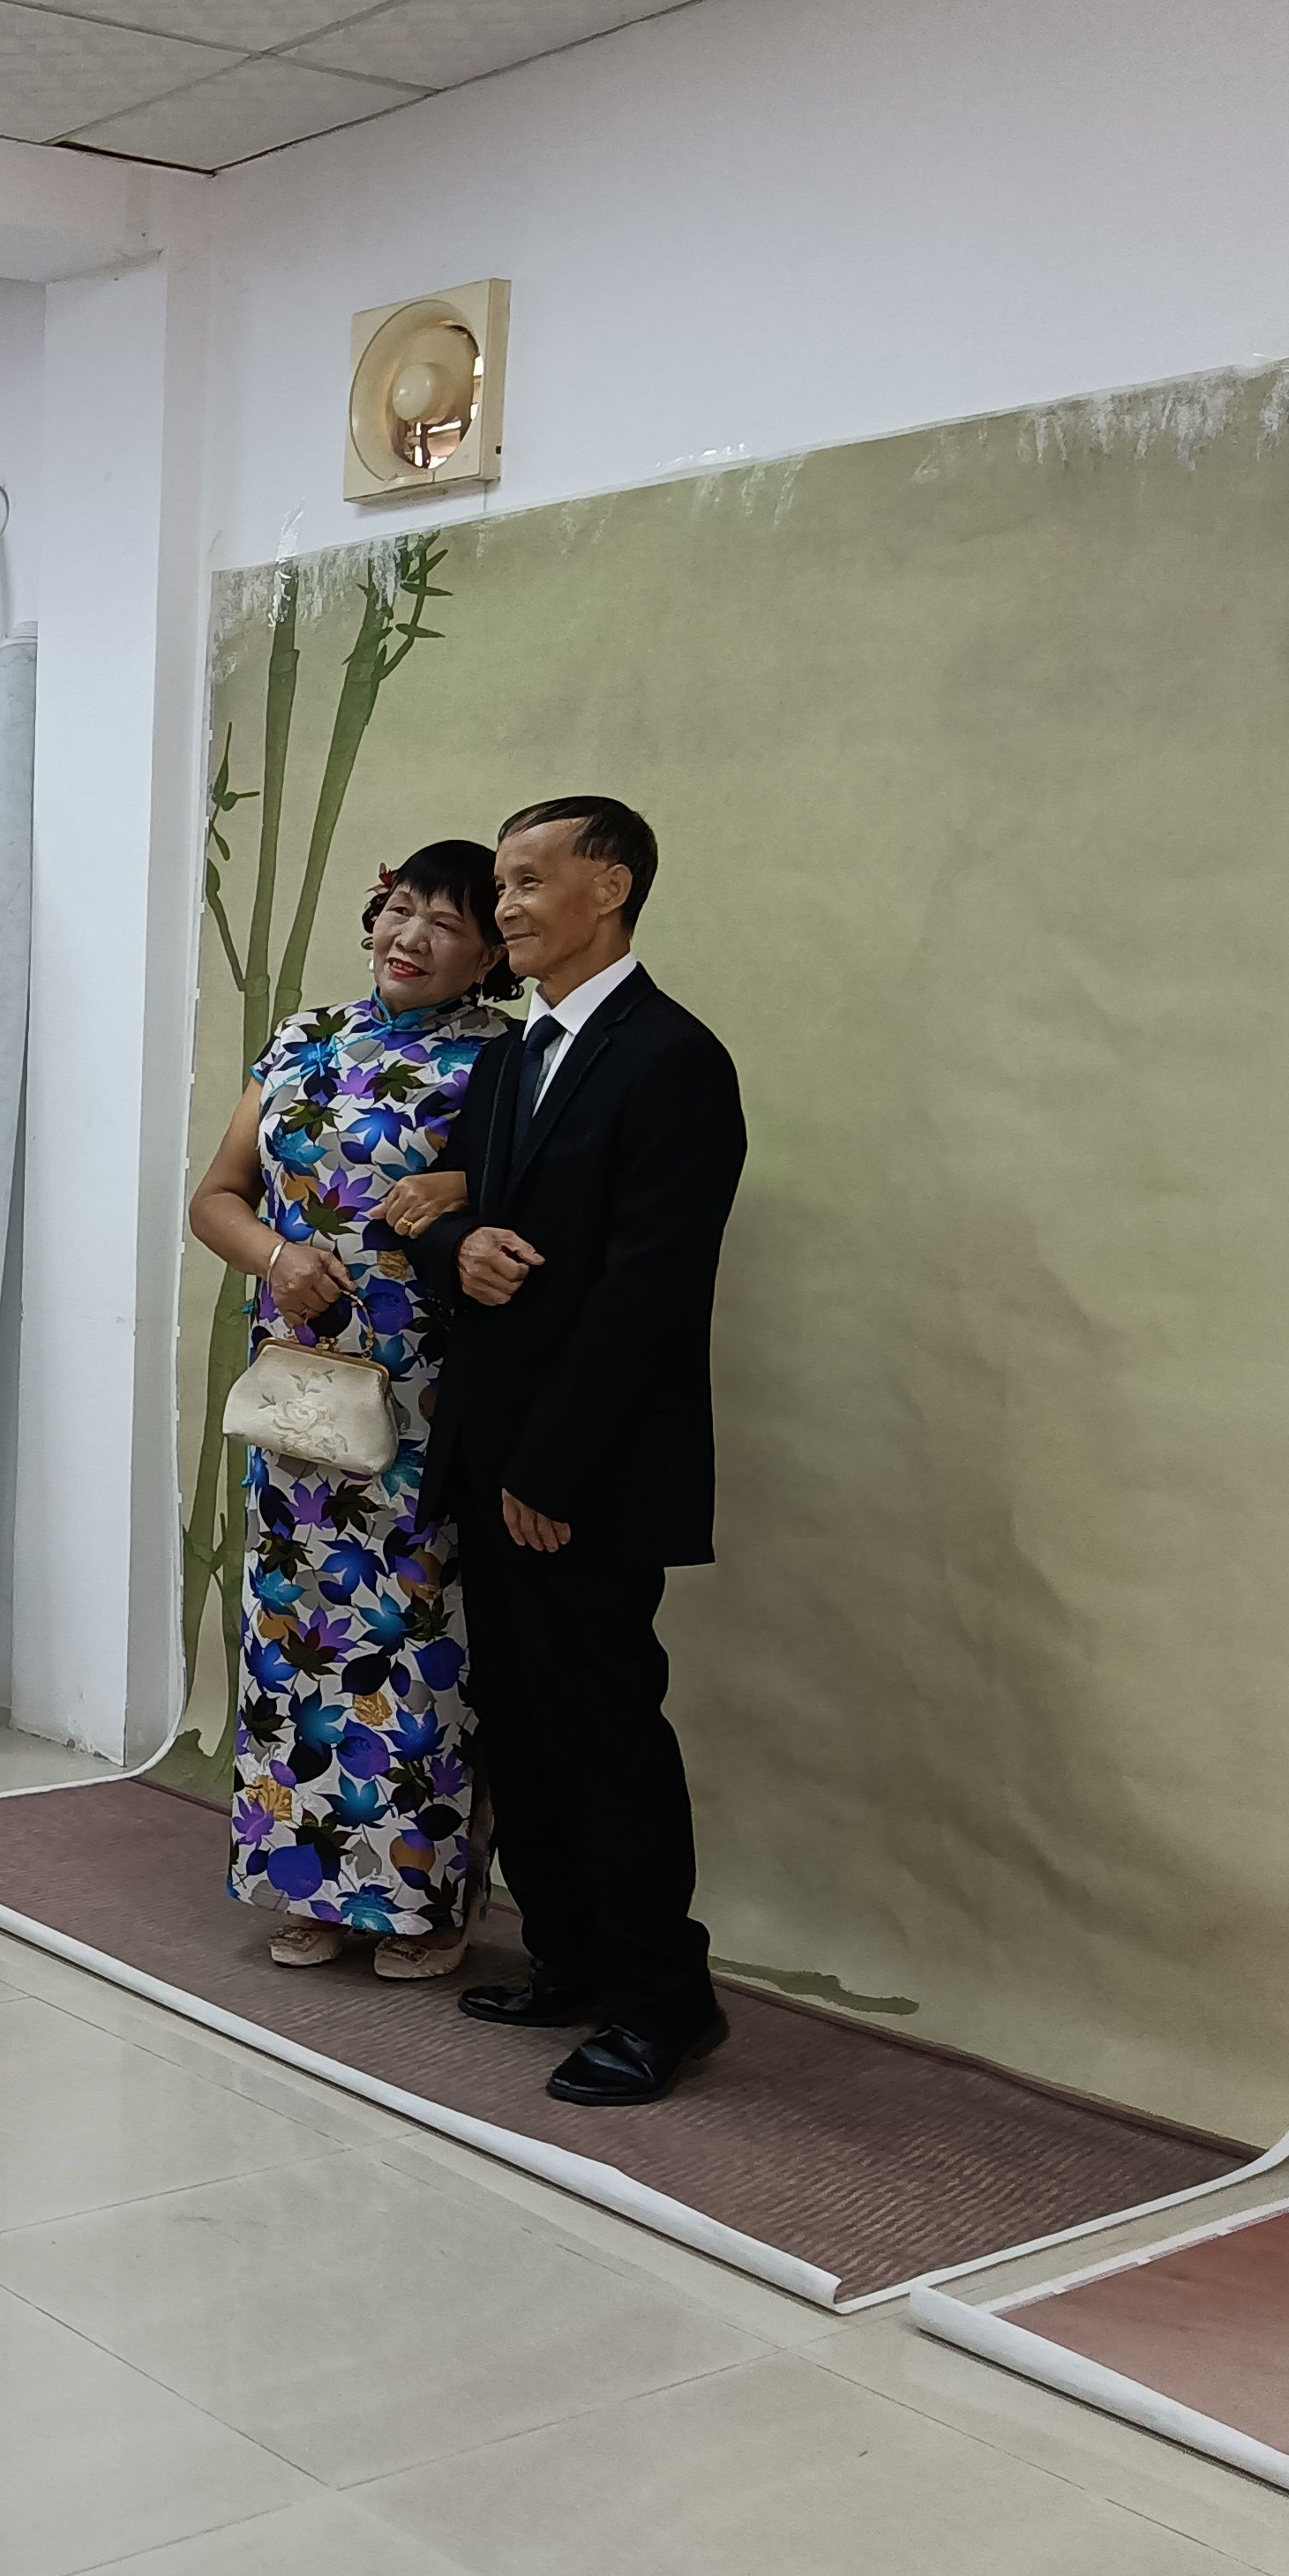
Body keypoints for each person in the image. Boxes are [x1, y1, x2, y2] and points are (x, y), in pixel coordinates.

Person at [408, 796, 746, 2108]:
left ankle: (666, 2003)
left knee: (605, 1737)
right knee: (525, 1725)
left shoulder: (674, 1060)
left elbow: (649, 1295)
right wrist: (460, 1247)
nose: (504, 906)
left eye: (527, 880)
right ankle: (570, 1958)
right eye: (499, 884)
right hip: (492, 1451)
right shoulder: (512, 1058)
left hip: (583, 1476)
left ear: (610, 889)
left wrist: (550, 1473)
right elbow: (444, 1216)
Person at [190, 843, 513, 1981]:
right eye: (400, 910)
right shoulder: (302, 1040)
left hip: (425, 1399)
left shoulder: (504, 1058)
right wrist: (276, 1257)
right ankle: (311, 1886)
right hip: (298, 1394)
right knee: (293, 1641)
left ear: (491, 955)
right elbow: (215, 1199)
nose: (410, 938)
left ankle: (424, 1900)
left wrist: (466, 1187)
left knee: (422, 1647)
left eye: (447, 924)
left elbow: (549, 1194)